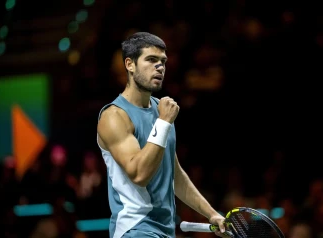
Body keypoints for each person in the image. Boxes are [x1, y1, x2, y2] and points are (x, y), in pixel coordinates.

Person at [96, 32, 228, 238]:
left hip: (164, 231)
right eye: (151, 60)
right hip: (134, 230)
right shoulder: (114, 116)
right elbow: (138, 173)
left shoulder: (161, 109)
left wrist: (212, 215)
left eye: (163, 62)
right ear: (129, 64)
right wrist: (164, 123)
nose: (159, 67)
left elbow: (174, 175)